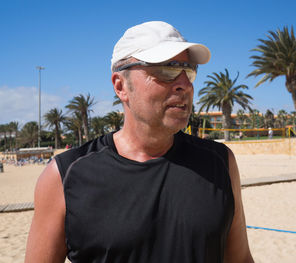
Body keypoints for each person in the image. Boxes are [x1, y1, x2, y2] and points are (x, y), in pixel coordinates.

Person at [25, 21, 254, 263]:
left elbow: (240, 258)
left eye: (189, 70)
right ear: (121, 86)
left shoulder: (220, 162)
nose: (185, 84)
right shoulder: (63, 176)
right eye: (166, 70)